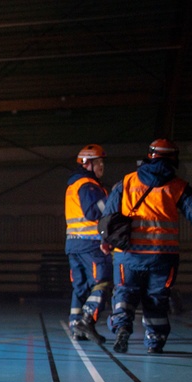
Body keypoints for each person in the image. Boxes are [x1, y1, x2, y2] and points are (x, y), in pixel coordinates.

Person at [101, 139, 192, 353]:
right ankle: (155, 341)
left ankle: (122, 327)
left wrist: (105, 242)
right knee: (157, 299)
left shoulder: (126, 182)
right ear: (174, 158)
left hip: (129, 255)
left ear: (150, 156)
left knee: (124, 292)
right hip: (164, 256)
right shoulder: (178, 186)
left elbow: (108, 216)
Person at [65, 144, 111, 343]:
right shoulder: (88, 185)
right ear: (88, 164)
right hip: (90, 245)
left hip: (73, 244)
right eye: (99, 162)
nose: (102, 166)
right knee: (102, 281)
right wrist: (112, 199)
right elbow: (92, 212)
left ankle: (76, 327)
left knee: (80, 287)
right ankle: (87, 318)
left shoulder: (73, 185)